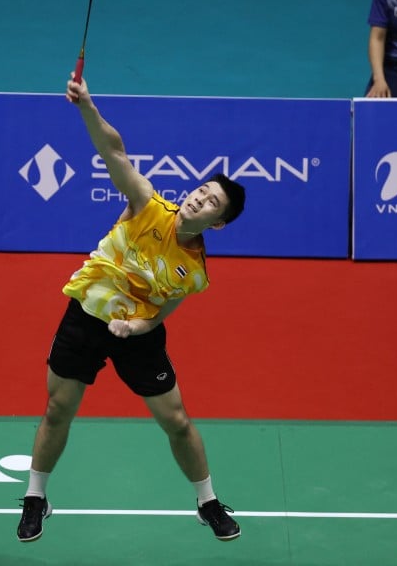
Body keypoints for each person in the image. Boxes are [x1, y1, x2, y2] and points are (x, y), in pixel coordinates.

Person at [16, 75, 247, 544]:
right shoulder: (148, 205)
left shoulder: (195, 273)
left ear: (217, 224)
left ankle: (207, 502)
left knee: (177, 421)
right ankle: (36, 496)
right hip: (86, 316)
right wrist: (86, 106)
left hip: (135, 336)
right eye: (202, 190)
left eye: (211, 203)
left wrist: (137, 325)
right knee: (59, 408)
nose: (199, 198)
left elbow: (161, 311)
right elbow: (115, 152)